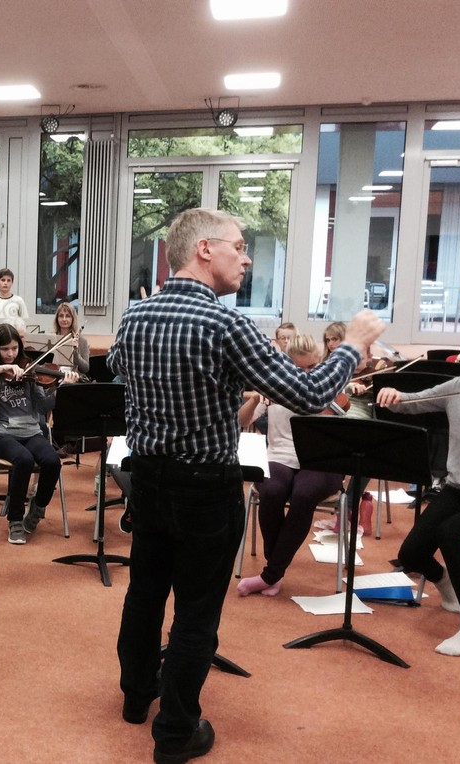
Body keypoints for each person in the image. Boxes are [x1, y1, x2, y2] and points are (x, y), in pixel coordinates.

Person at [107, 208, 383, 763]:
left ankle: (137, 697)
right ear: (204, 249)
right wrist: (352, 345)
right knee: (196, 613)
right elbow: (309, 394)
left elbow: (117, 366)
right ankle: (175, 734)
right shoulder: (225, 324)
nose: (247, 257)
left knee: (144, 594)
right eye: (239, 246)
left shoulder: (135, 316)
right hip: (205, 487)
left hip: (148, 478)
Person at [235, 333, 345, 596]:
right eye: (299, 369)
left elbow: (342, 414)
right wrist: (255, 399)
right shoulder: (275, 387)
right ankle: (274, 571)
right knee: (271, 491)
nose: (306, 374)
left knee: (304, 494)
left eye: (312, 367)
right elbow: (241, 421)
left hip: (320, 460)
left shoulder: (324, 385)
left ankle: (270, 574)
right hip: (279, 455)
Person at [377, 378, 460, 656]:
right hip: (458, 488)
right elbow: (412, 402)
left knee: (450, 534)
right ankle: (447, 584)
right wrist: (394, 396)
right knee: (411, 553)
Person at [0, 323, 78, 544]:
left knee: (52, 461)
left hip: (31, 433)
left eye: (14, 348)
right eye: (5, 349)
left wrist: (62, 389)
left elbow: (42, 406)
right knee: (23, 460)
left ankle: (38, 507)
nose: (10, 354)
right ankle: (15, 519)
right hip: (1, 436)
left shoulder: (29, 370)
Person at [53, 300, 90, 375]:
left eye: (68, 316)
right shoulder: (52, 338)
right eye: (61, 316)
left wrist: (75, 353)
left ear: (73, 319)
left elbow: (85, 368)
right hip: (54, 376)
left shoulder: (82, 340)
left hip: (73, 378)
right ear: (57, 319)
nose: (64, 319)